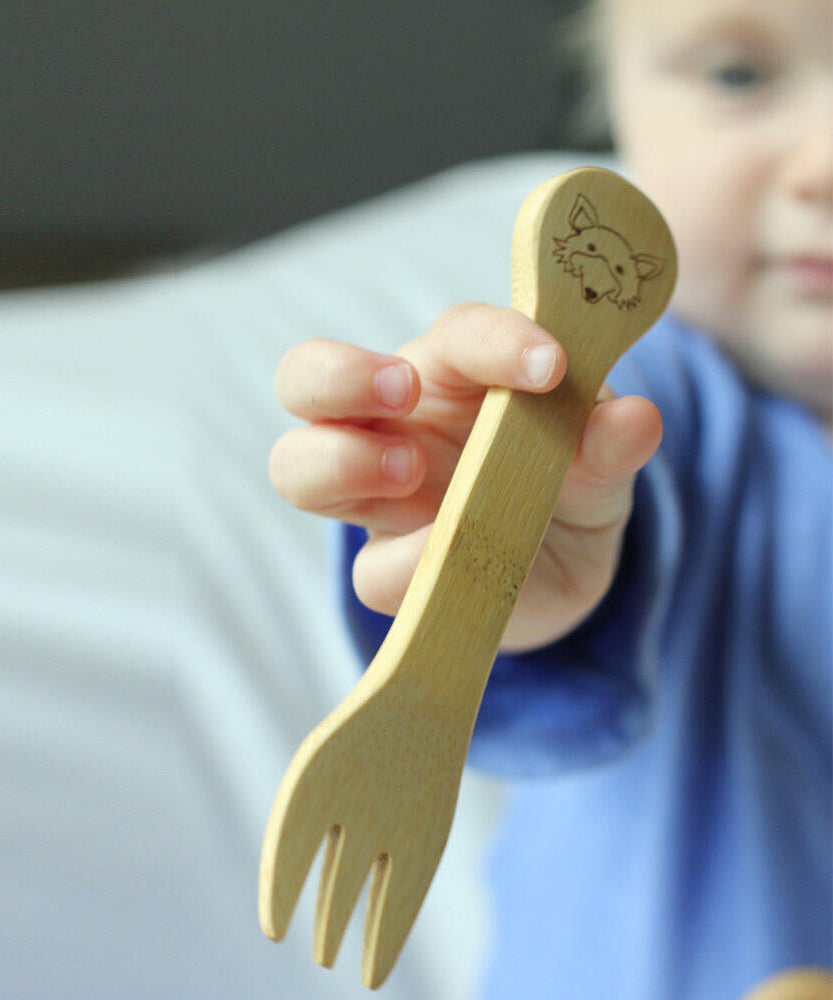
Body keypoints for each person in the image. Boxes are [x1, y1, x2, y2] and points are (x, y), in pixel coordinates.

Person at [267, 0, 832, 996]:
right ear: (610, 94)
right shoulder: (642, 393)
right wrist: (496, 536)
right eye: (736, 75)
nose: (823, 164)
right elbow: (602, 480)